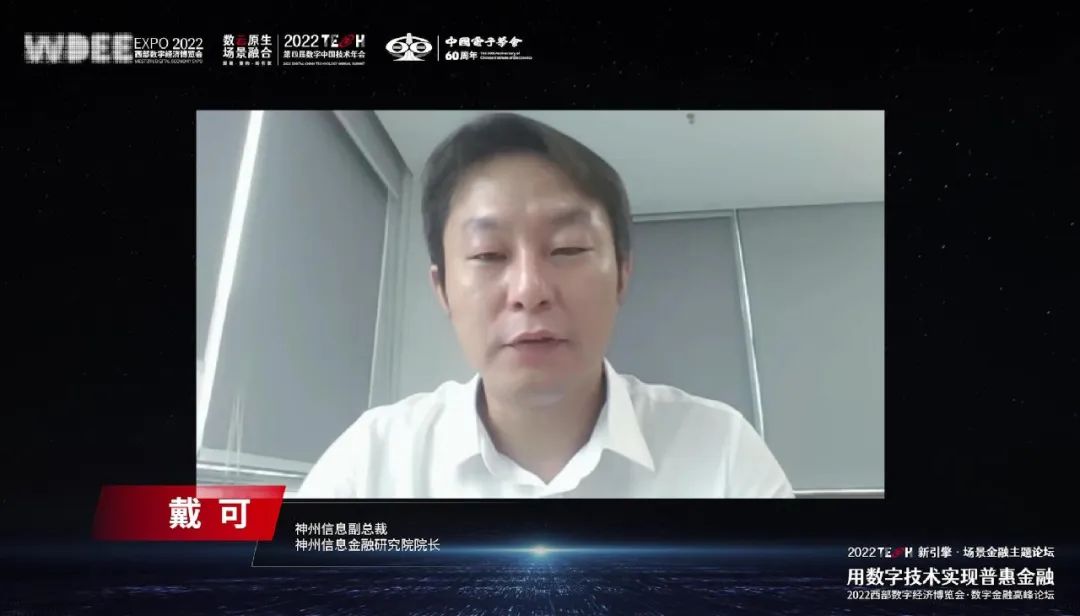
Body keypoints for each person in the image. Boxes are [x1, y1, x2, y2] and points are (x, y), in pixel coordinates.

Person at [297, 112, 794, 498]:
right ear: (442, 289)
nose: (529, 289)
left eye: (568, 249)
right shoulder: (372, 460)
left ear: (622, 274)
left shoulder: (723, 454)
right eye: (489, 255)